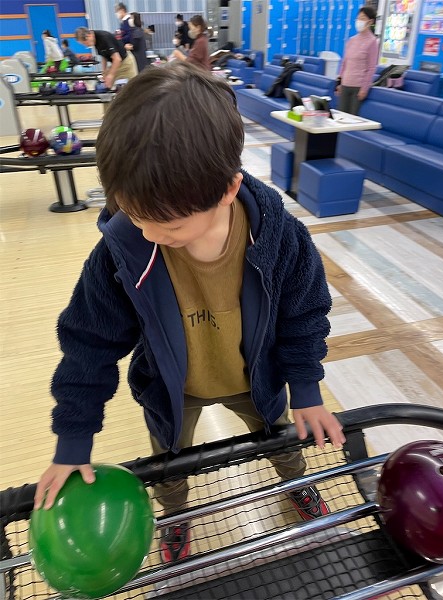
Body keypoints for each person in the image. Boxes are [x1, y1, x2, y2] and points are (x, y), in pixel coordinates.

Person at [34, 62, 345, 564]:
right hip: (172, 389)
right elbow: (88, 343)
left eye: (171, 225)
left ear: (226, 189)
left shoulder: (280, 238)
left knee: (284, 440)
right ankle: (176, 519)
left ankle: (297, 486)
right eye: (135, 215)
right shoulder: (120, 253)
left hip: (256, 379)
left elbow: (304, 314)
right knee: (168, 465)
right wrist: (74, 439)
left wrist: (306, 388)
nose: (151, 235)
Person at [336, 6, 378, 115]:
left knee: (352, 119)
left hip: (358, 87)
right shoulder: (351, 40)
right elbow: (344, 63)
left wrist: (364, 89)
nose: (359, 21)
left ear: (370, 21)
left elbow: (371, 68)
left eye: (363, 18)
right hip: (345, 84)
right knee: (341, 118)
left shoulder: (372, 42)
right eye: (358, 18)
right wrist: (340, 82)